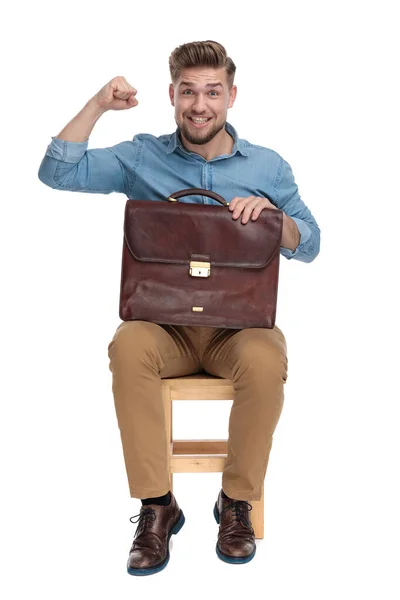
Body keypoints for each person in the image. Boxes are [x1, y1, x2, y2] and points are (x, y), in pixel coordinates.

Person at [38, 40, 320, 576]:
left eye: (212, 91)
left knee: (266, 359)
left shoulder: (268, 166)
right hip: (162, 327)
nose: (200, 104)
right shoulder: (143, 156)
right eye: (188, 91)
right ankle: (156, 504)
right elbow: (57, 172)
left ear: (231, 96)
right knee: (127, 344)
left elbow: (311, 242)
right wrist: (97, 104)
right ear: (172, 95)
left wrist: (274, 220)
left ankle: (235, 502)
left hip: (237, 331)